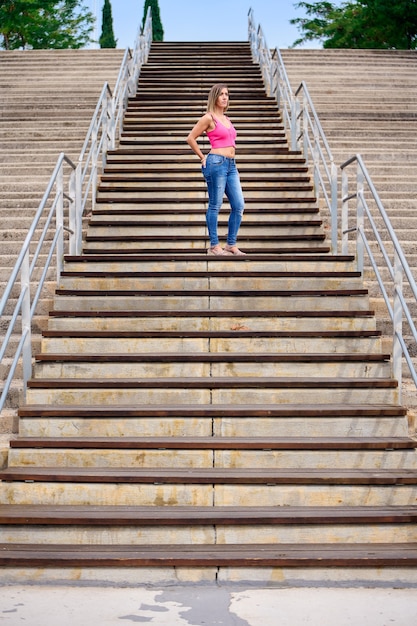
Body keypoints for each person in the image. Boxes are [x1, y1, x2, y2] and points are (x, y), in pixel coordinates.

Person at [186, 83, 245, 255]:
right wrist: (202, 157)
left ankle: (231, 244)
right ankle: (214, 245)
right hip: (216, 163)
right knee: (215, 205)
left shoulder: (227, 119)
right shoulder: (208, 118)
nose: (225, 97)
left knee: (239, 204)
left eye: (227, 94)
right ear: (215, 97)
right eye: (221, 94)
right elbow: (190, 138)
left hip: (231, 165)